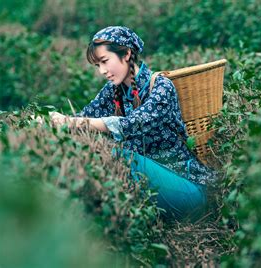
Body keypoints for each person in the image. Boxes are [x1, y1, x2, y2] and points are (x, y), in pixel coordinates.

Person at [50, 26, 216, 221]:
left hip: (190, 189)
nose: (102, 71)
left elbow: (132, 124)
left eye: (105, 61)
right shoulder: (113, 91)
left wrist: (73, 123)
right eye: (98, 66)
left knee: (116, 154)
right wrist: (51, 121)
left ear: (127, 53)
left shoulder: (162, 86)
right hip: (156, 187)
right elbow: (84, 115)